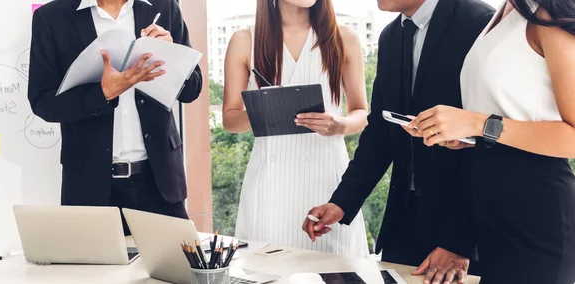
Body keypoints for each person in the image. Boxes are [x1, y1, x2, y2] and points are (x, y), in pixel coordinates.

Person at [303, 0, 494, 281]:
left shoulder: (478, 22)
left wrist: (459, 242)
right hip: (403, 225)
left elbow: (490, 149)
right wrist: (341, 203)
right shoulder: (391, 36)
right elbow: (381, 134)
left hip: (464, 229)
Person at [406, 0, 575, 282]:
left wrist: (477, 123)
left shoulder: (547, 16)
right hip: (490, 217)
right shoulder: (502, 13)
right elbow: (505, 123)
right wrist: (465, 136)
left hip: (536, 216)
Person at [28, 0, 202, 235]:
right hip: (90, 189)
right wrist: (102, 94)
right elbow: (43, 102)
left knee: (173, 271)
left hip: (160, 184)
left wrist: (171, 55)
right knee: (96, 272)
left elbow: (193, 89)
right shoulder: (51, 17)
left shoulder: (164, 6)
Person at [223, 0, 370, 257]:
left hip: (328, 181)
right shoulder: (245, 39)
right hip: (270, 183)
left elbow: (361, 112)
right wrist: (266, 107)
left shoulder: (343, 37)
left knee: (335, 270)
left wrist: (339, 124)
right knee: (266, 269)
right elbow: (230, 119)